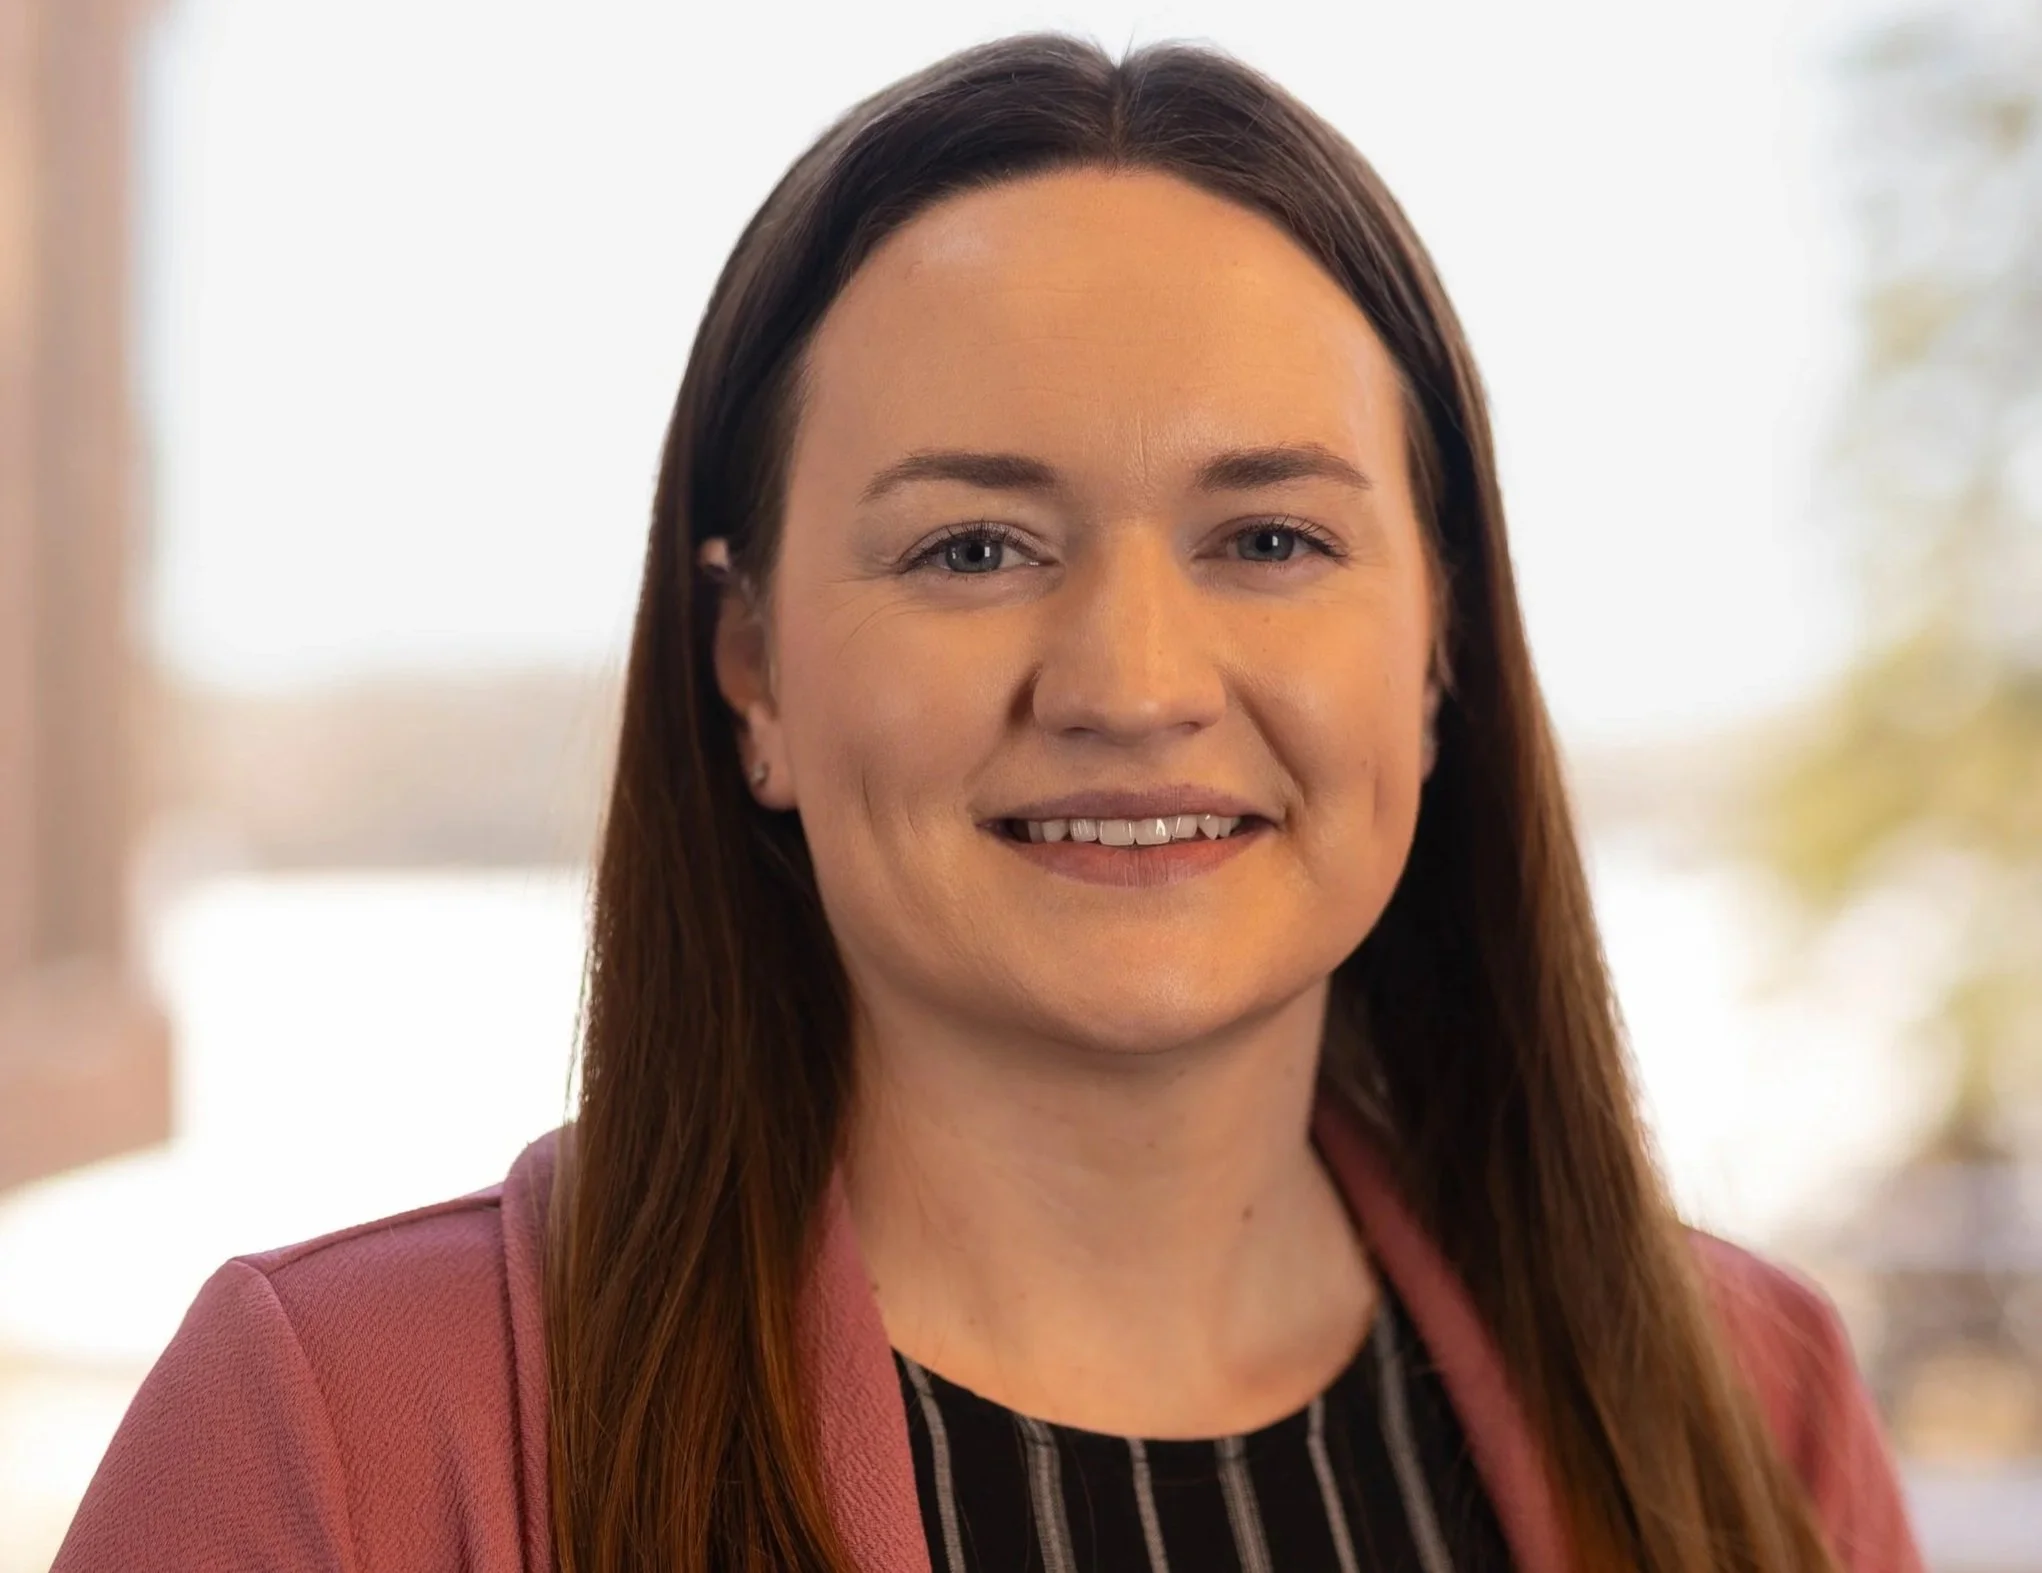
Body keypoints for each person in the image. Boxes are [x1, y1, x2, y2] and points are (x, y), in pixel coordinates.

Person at [53, 31, 1924, 1573]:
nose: (1129, 684)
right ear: (752, 672)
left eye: (1268, 537)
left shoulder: (1748, 1409)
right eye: (970, 548)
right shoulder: (340, 1436)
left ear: (1440, 648)